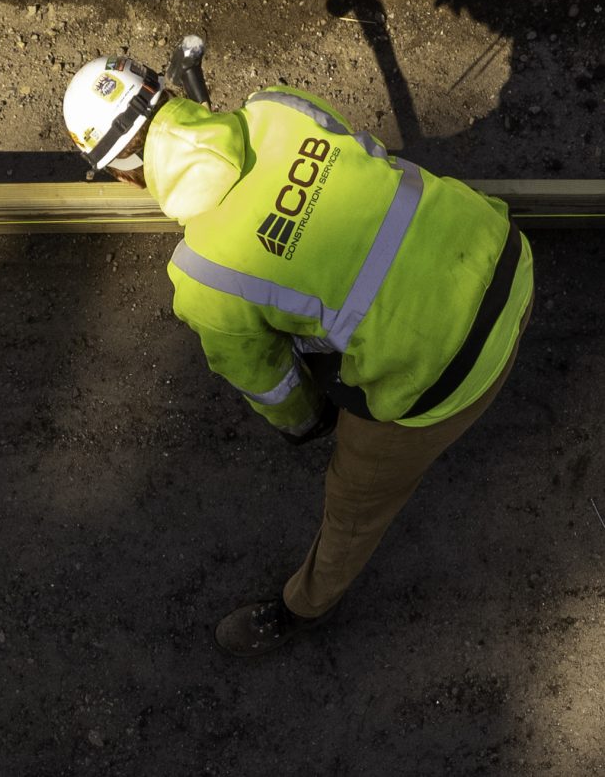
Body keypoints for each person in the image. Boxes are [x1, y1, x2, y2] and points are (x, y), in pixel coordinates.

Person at [62, 54, 534, 658]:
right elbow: (366, 171)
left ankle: (303, 607)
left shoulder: (202, 275)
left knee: (354, 504)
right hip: (504, 249)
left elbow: (276, 390)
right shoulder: (278, 106)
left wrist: (312, 424)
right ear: (170, 91)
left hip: (451, 371)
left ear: (122, 175)